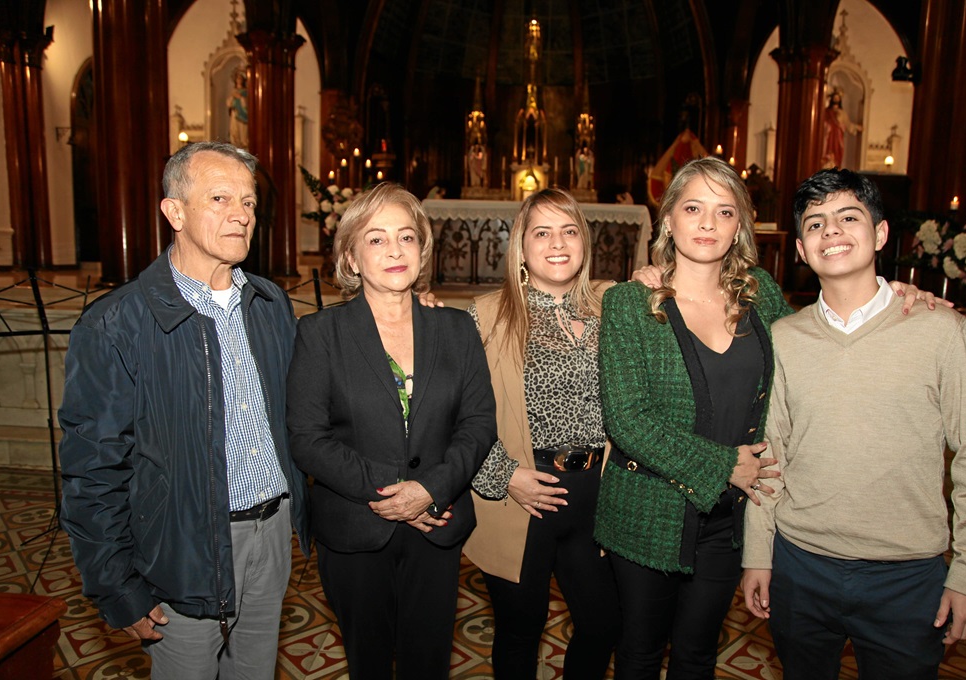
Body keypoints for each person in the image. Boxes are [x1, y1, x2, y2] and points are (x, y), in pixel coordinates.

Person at [594, 158, 944, 679]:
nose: (708, 224)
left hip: (732, 518)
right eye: (693, 208)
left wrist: (897, 297)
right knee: (640, 653)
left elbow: (820, 340)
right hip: (649, 506)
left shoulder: (759, 293)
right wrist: (724, 466)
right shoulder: (630, 303)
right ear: (668, 219)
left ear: (740, 226)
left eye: (724, 211)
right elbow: (628, 420)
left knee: (697, 653)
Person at [59, 141, 310, 679]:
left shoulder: (269, 304)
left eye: (247, 201)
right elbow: (92, 469)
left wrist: (405, 309)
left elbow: (316, 396)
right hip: (182, 544)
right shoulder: (115, 324)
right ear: (173, 212)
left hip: (271, 536)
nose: (241, 214)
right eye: (220, 198)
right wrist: (115, 585)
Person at [741, 168, 966, 679]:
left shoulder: (939, 330)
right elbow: (771, 455)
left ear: (880, 234)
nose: (831, 232)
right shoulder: (786, 337)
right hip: (802, 563)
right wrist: (759, 554)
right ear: (800, 249)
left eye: (847, 217)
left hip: (906, 576)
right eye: (815, 224)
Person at [286, 182, 497, 679]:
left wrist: (431, 489)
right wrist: (393, 490)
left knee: (428, 663)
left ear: (422, 250)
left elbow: (479, 422)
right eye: (376, 239)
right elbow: (307, 437)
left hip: (437, 525)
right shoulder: (320, 335)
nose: (395, 250)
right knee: (370, 664)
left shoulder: (456, 329)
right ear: (352, 258)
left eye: (406, 236)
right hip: (357, 526)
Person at [463, 189, 621, 678]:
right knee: (519, 629)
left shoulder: (613, 306)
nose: (558, 243)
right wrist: (504, 475)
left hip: (597, 493)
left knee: (602, 624)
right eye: (543, 232)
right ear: (522, 246)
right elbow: (457, 413)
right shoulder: (486, 314)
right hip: (522, 494)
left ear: (585, 242)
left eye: (569, 231)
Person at [821, 90, 861, 169]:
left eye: (837, 98)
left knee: (837, 153)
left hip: (838, 136)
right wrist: (828, 126)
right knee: (827, 151)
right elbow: (822, 123)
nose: (836, 100)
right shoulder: (826, 112)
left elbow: (848, 124)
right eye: (834, 98)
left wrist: (857, 127)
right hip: (828, 136)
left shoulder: (842, 113)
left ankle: (836, 168)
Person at [229, 70, 249, 149]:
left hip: (243, 114)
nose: (239, 80)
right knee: (234, 129)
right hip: (235, 113)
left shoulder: (246, 91)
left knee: (243, 130)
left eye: (240, 79)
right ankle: (235, 143)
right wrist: (232, 98)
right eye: (238, 79)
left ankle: (244, 143)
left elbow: (247, 104)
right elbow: (229, 103)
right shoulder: (233, 91)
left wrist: (240, 98)